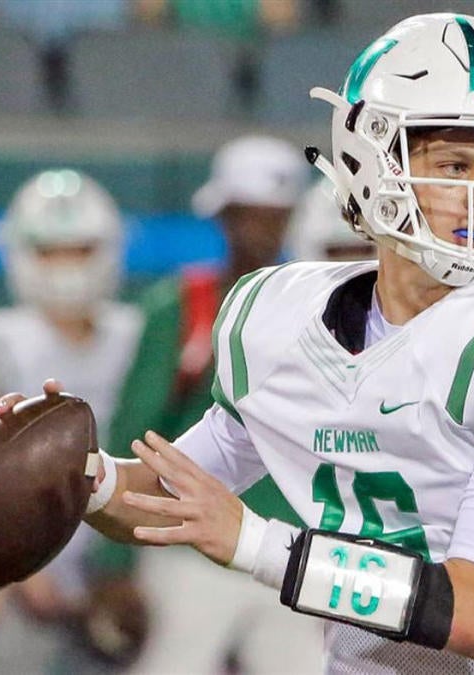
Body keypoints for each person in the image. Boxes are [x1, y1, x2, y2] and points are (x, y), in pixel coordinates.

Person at [0, 12, 474, 673]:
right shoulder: (280, 318)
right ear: (370, 159)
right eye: (456, 163)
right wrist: (71, 473)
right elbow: (165, 493)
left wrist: (255, 542)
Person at [111, 134, 322, 675]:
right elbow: (136, 436)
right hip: (190, 544)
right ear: (223, 218)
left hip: (294, 546)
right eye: (248, 216)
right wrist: (113, 561)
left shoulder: (325, 307)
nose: (261, 230)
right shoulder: (181, 306)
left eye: (273, 217)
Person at [0, 169, 146, 674]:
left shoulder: (136, 333)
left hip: (120, 556)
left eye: (80, 250)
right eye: (50, 251)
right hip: (25, 559)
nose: (66, 266)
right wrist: (20, 569)